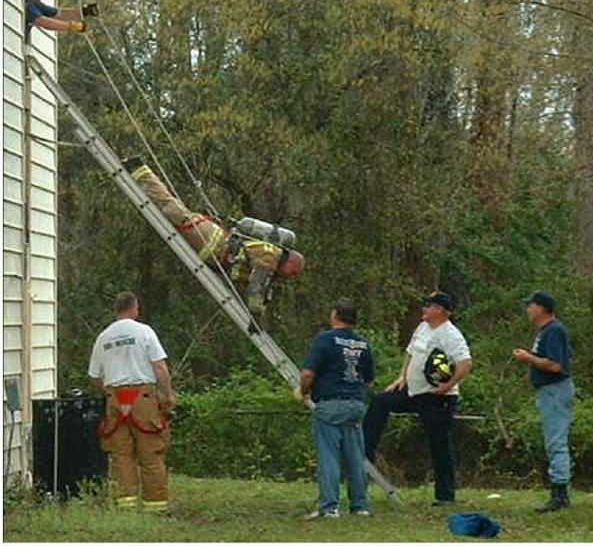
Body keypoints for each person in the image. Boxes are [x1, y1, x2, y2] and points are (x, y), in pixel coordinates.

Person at [123, 158, 305, 322]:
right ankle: (140, 170)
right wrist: (256, 314)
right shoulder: (270, 256)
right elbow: (257, 285)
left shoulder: (271, 262)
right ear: (290, 260)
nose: (291, 276)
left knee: (171, 210)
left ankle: (140, 173)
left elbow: (255, 284)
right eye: (294, 271)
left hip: (212, 247)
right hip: (211, 240)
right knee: (171, 209)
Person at [362, 291, 472, 505]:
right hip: (412, 390)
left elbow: (465, 363)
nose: (424, 308)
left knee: (439, 443)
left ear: (441, 310)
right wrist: (401, 377)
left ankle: (445, 496)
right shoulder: (422, 327)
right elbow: (411, 353)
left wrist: (448, 385)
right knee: (380, 401)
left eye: (429, 305)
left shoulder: (450, 334)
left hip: (437, 398)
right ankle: (366, 454)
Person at [88, 291, 176, 514]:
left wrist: (111, 392)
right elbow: (159, 367)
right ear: (134, 308)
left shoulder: (103, 337)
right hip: (142, 398)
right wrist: (168, 395)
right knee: (150, 452)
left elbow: (95, 375)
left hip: (115, 399)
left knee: (121, 455)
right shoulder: (144, 332)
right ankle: (156, 507)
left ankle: (125, 506)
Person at [297, 298, 374, 519]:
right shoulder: (363, 343)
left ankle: (329, 507)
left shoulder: (326, 340)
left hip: (330, 404)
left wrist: (303, 391)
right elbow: (368, 379)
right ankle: (360, 506)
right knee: (355, 456)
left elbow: (307, 373)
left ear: (335, 315)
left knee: (329, 456)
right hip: (356, 404)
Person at [513, 290, 574, 513]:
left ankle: (559, 494)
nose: (528, 309)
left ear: (540, 308)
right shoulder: (546, 331)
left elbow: (556, 365)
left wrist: (528, 358)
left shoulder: (555, 330)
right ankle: (560, 489)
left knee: (556, 441)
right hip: (549, 391)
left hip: (555, 390)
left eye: (531, 305)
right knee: (554, 440)